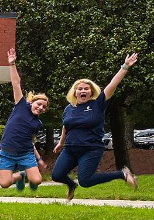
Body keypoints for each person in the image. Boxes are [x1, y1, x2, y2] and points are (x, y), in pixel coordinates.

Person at [52, 53, 140, 199]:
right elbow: (66, 126)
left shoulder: (98, 104)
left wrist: (125, 67)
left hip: (91, 149)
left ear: (91, 91)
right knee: (57, 175)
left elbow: (113, 84)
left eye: (86, 89)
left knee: (86, 181)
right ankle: (71, 185)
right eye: (80, 89)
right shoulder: (69, 108)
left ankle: (122, 174)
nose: (83, 91)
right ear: (75, 92)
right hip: (70, 149)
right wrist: (61, 143)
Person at [0, 49, 49, 191]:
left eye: (43, 107)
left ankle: (25, 172)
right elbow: (16, 83)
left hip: (25, 154)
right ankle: (20, 175)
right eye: (39, 104)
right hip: (6, 153)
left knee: (37, 180)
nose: (40, 108)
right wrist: (12, 64)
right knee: (5, 184)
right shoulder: (21, 105)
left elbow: (31, 142)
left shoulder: (37, 123)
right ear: (32, 101)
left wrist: (39, 159)